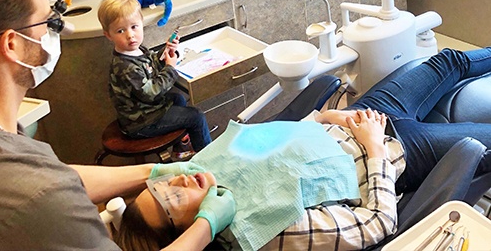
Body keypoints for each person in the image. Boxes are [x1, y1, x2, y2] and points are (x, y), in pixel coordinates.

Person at [0, 0, 234, 250]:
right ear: (12, 44)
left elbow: (61, 178)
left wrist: (156, 170)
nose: (58, 32)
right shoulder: (39, 197)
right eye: (49, 23)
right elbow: (47, 189)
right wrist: (206, 225)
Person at [113, 47, 491, 251]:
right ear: (187, 231)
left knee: (449, 60)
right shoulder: (266, 229)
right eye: (171, 202)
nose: (178, 183)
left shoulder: (217, 166)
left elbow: (285, 140)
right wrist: (374, 148)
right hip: (395, 148)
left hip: (359, 117)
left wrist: (328, 119)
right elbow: (376, 224)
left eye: (162, 185)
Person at [97, 0, 212, 152]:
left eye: (134, 27)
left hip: (147, 110)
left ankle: (180, 148)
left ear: (141, 24)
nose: (130, 35)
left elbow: (151, 63)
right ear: (108, 35)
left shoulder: (137, 50)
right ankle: (208, 161)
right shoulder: (125, 67)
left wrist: (166, 52)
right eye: (120, 31)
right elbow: (151, 93)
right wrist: (170, 69)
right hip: (141, 123)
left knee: (178, 98)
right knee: (196, 116)